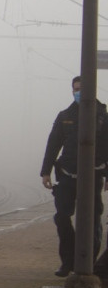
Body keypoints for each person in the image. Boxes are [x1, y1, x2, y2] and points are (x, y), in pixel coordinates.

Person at [40, 75, 108, 277]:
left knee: (93, 220)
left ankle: (88, 263)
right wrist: (45, 171)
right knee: (62, 216)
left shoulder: (102, 116)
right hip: (67, 175)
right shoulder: (65, 116)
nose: (77, 92)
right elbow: (53, 144)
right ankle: (68, 260)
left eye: (81, 89)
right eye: (75, 89)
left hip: (93, 176)